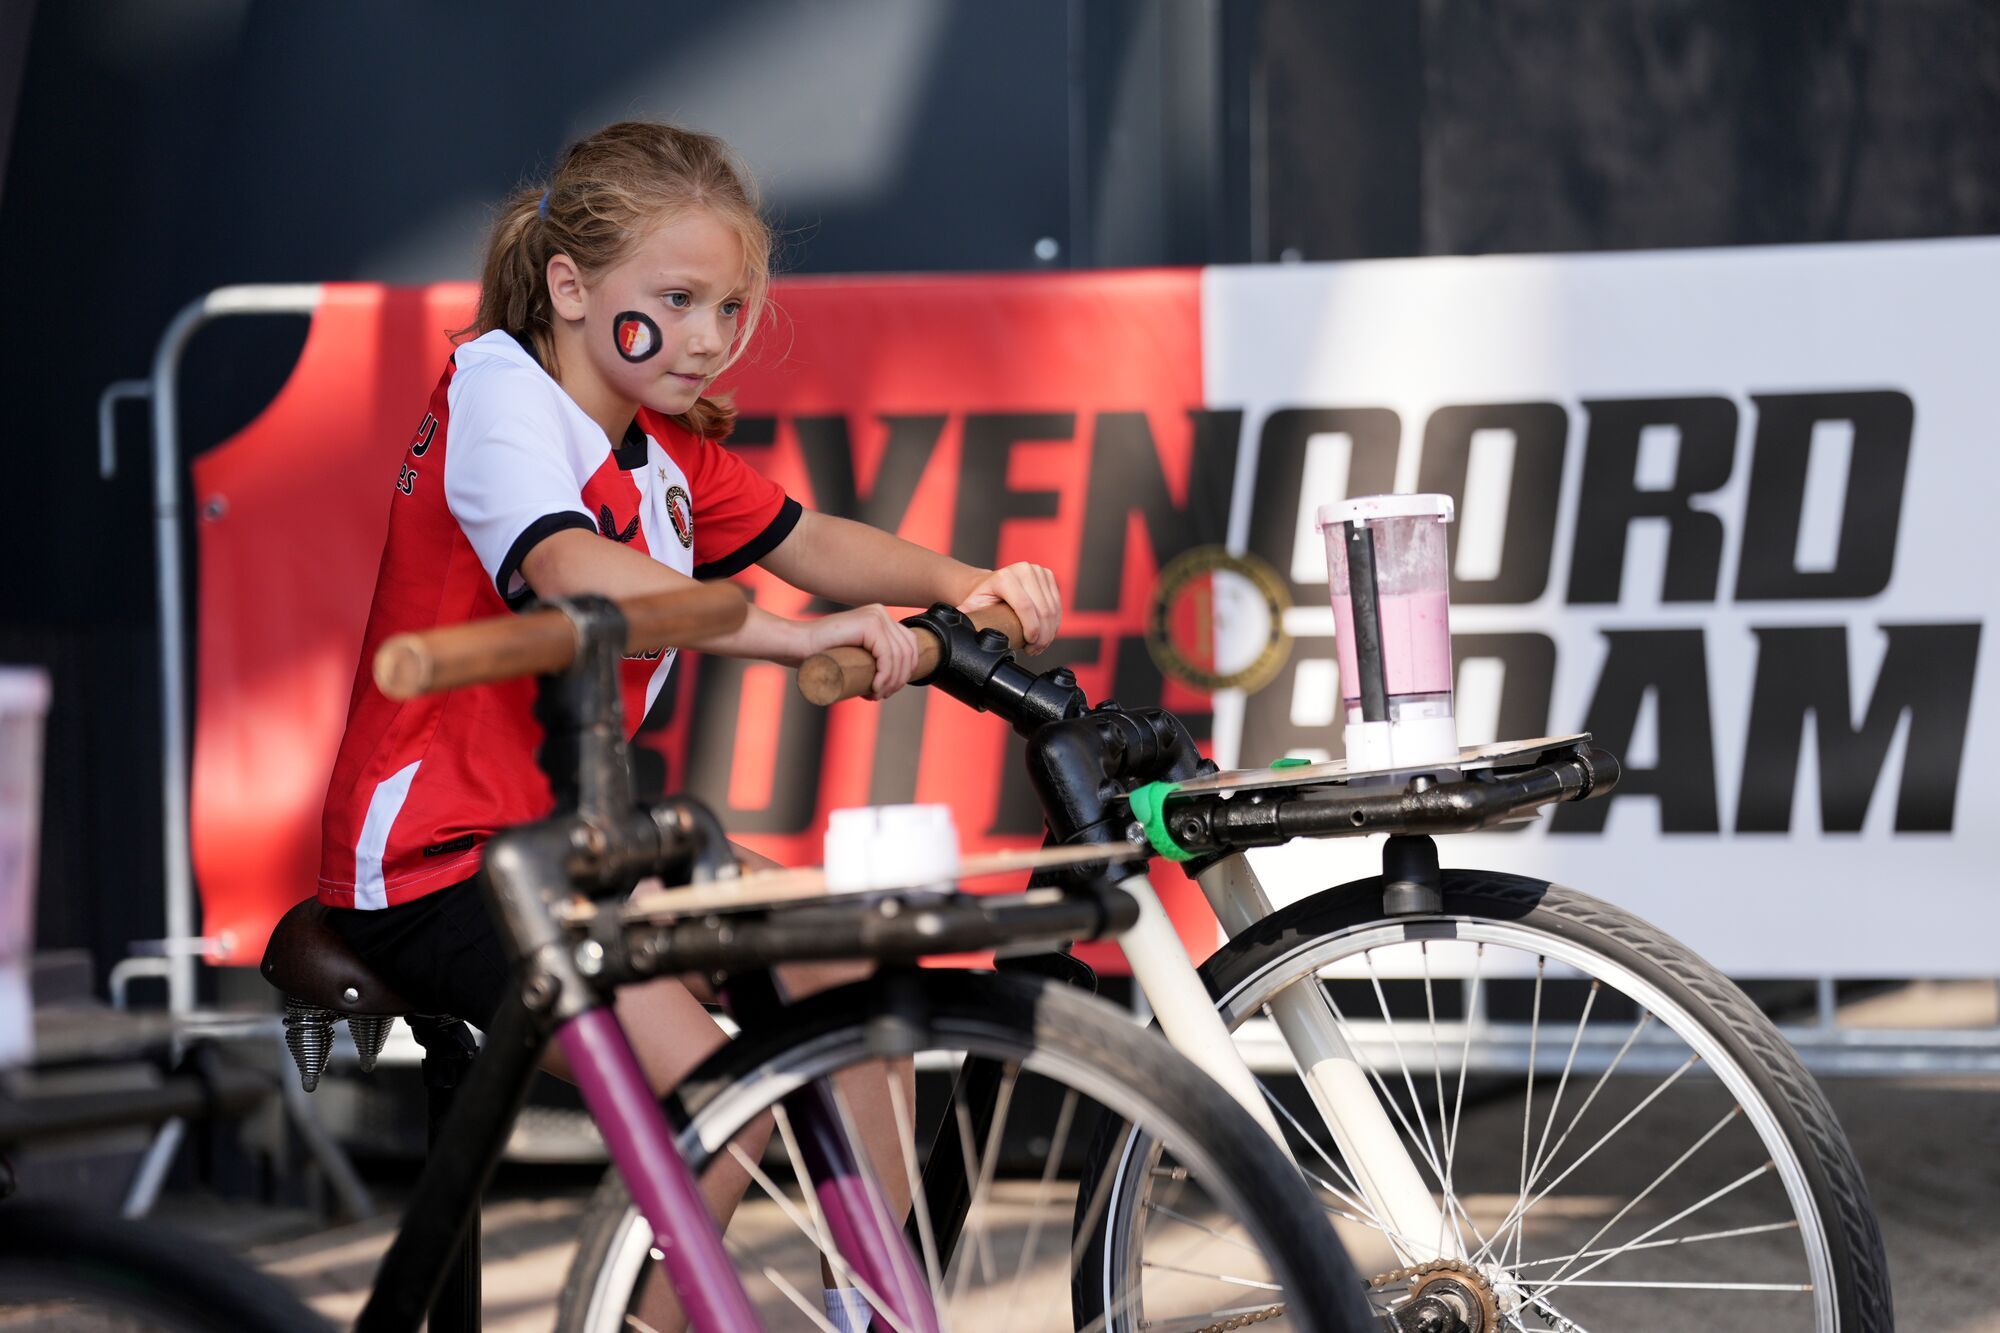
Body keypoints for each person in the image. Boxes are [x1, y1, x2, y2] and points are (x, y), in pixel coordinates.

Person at [315, 120, 1060, 1330]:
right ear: (568, 287)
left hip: (583, 846)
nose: (711, 338)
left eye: (733, 309)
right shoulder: (499, 395)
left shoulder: (659, 445)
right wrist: (791, 636)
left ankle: (876, 1314)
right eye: (678, 300)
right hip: (440, 866)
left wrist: (968, 585)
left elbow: (807, 537)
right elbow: (567, 567)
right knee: (722, 1108)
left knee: (847, 971)